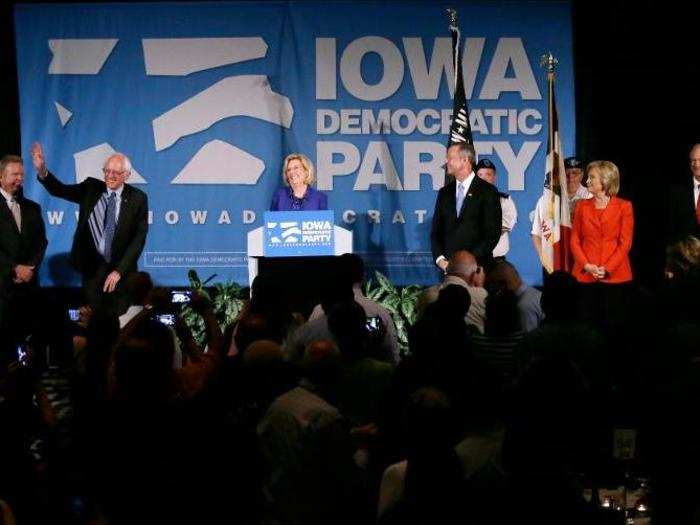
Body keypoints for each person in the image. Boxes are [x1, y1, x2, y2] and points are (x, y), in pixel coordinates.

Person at [31, 142, 148, 314]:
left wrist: (118, 271)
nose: (110, 176)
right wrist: (42, 170)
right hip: (92, 270)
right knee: (94, 318)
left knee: (119, 317)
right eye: (107, 171)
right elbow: (60, 190)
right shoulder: (91, 188)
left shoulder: (138, 198)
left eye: (116, 172)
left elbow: (139, 239)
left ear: (127, 175)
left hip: (121, 272)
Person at [570, 160, 633, 326]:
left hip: (615, 276)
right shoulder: (581, 206)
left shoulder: (624, 206)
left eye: (592, 178)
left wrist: (607, 269)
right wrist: (586, 265)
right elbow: (575, 240)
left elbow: (625, 243)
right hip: (585, 275)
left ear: (605, 181)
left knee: (613, 326)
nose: (587, 181)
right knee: (585, 324)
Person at [0, 154, 47, 356]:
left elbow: (41, 243)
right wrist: (14, 268)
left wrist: (30, 268)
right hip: (2, 289)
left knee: (30, 347)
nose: (19, 179)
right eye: (14, 174)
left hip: (28, 289)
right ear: (1, 176)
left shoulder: (32, 208)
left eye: (22, 174)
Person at [431, 142, 502, 270]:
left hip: (477, 270)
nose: (446, 162)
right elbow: (436, 232)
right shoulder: (444, 193)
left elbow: (492, 234)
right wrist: (440, 260)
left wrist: (465, 262)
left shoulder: (488, 191)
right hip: (449, 270)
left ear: (465, 160)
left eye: (450, 158)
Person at [531, 156, 592, 267]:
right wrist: (543, 257)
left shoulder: (591, 198)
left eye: (575, 173)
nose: (571, 178)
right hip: (556, 259)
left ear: (582, 175)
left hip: (584, 260)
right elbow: (536, 233)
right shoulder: (547, 199)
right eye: (566, 174)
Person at [475, 159, 517, 259]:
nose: (483, 178)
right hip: (473, 257)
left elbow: (504, 225)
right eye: (480, 175)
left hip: (496, 257)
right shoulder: (467, 201)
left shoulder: (504, 200)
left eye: (488, 174)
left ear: (495, 177)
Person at [667, 143, 700, 243]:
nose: (696, 164)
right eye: (693, 160)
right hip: (686, 255)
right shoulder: (678, 192)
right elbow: (672, 228)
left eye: (699, 160)